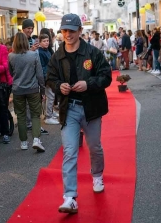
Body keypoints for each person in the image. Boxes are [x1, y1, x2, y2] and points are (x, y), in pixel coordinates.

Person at [46, 13, 112, 214]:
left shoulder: (92, 52)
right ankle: (69, 197)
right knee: (69, 151)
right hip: (70, 108)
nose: (67, 34)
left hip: (92, 108)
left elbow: (106, 76)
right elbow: (49, 78)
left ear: (80, 31)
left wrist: (88, 83)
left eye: (72, 31)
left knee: (94, 146)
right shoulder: (57, 55)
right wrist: (59, 86)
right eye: (64, 31)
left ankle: (97, 174)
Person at [9, 32, 46, 152]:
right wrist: (43, 89)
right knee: (35, 114)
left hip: (18, 89)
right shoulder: (33, 55)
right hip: (33, 88)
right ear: (26, 42)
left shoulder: (11, 56)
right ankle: (36, 139)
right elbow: (40, 74)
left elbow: (10, 72)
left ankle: (23, 142)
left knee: (20, 115)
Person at [22, 19, 49, 135]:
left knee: (35, 101)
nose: (30, 30)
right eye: (28, 28)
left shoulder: (33, 40)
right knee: (29, 102)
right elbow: (18, 57)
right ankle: (29, 124)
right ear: (23, 29)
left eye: (31, 28)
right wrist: (31, 50)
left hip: (35, 73)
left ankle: (34, 124)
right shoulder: (19, 40)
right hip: (25, 75)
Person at [38, 33, 59, 125]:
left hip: (50, 76)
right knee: (50, 96)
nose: (46, 43)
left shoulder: (46, 50)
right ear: (40, 42)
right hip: (46, 77)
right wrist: (45, 79)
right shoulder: (41, 52)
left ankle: (49, 113)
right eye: (44, 41)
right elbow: (42, 67)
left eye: (47, 41)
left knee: (50, 96)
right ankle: (48, 116)